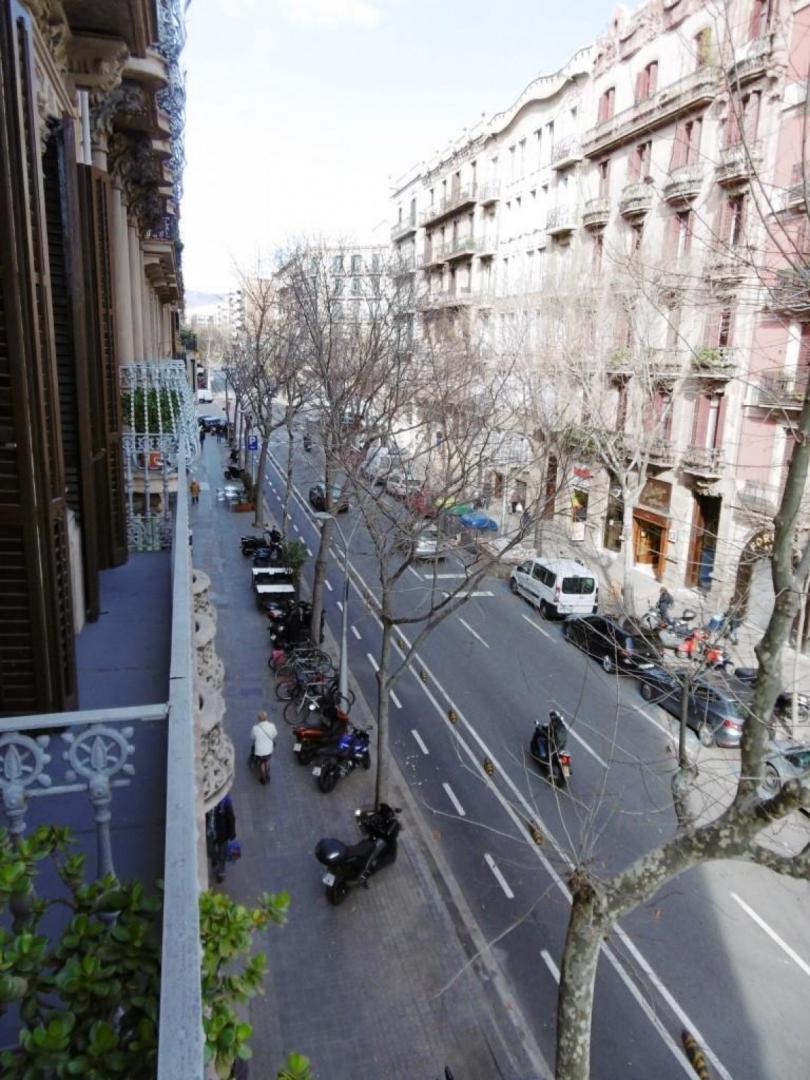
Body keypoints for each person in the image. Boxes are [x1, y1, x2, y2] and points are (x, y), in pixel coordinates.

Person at [207, 795, 236, 883]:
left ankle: (221, 871)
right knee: (210, 850)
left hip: (222, 834)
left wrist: (232, 833)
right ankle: (215, 859)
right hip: (210, 833)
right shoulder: (206, 799)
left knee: (222, 854)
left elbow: (231, 818)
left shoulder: (225, 801)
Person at [250, 710, 278, 785]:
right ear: (266, 718)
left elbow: (252, 737)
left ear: (258, 719)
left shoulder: (255, 728)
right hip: (269, 749)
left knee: (262, 763)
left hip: (259, 751)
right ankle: (267, 775)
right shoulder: (271, 726)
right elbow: (275, 734)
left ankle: (263, 778)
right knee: (267, 761)